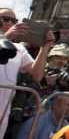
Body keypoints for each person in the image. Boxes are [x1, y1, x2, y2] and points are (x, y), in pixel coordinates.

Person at [0, 8, 55, 138]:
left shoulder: (19, 49)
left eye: (13, 20)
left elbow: (37, 75)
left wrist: (45, 47)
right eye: (5, 19)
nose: (10, 23)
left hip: (3, 110)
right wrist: (5, 37)